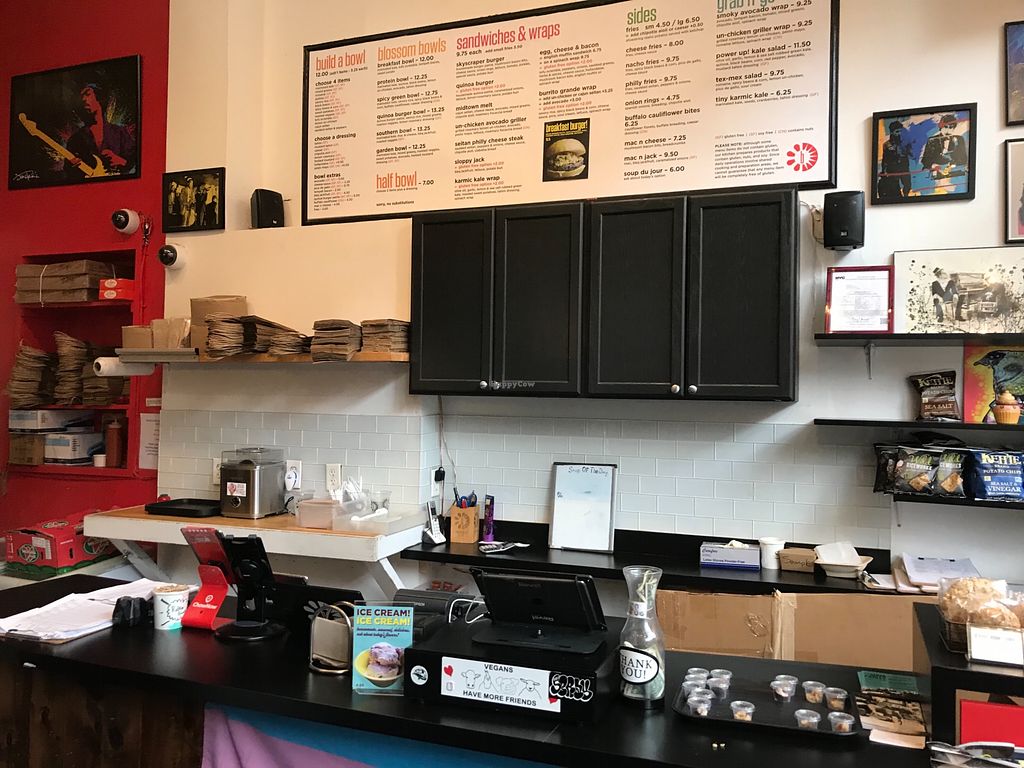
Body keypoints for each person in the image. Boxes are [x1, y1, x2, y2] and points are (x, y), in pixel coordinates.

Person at [64, 83, 136, 178]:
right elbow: (69, 173)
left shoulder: (120, 133)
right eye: (80, 97)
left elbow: (137, 163)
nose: (83, 99)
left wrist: (121, 161)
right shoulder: (75, 140)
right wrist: (73, 168)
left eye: (87, 94)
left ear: (100, 98)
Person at [920, 113, 968, 194]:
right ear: (941, 126)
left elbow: (964, 159)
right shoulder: (932, 140)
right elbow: (925, 160)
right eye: (946, 127)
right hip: (937, 174)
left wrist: (952, 166)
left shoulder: (959, 139)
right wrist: (933, 165)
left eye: (951, 127)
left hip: (954, 174)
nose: (948, 130)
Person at [878, 120, 911, 199]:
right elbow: (885, 159)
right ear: (892, 132)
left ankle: (906, 197)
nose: (899, 133)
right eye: (897, 131)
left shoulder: (905, 142)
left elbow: (910, 153)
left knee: (908, 185)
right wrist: (884, 171)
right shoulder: (887, 144)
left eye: (900, 131)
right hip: (892, 170)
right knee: (894, 188)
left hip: (904, 168)